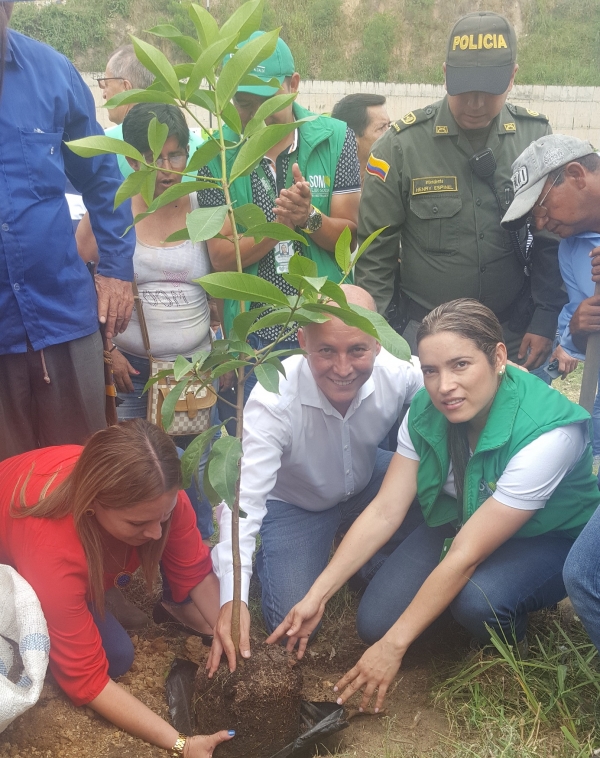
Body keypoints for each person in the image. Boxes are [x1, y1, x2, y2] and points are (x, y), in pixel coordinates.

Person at [269, 299, 598, 713]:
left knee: (479, 600)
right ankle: (443, 611)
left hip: (548, 536)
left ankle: (509, 637)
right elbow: (385, 511)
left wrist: (395, 647)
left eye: (461, 365)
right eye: (431, 370)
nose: (444, 386)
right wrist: (317, 594)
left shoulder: (548, 435)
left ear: (498, 357)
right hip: (464, 516)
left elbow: (465, 555)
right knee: (375, 624)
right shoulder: (426, 409)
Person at [207, 285, 424, 675]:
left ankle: (368, 563)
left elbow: (443, 380)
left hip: (366, 481)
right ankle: (296, 561)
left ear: (377, 341)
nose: (343, 369)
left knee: (431, 488)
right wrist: (232, 598)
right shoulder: (273, 399)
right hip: (294, 502)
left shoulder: (396, 372)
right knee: (293, 623)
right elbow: (245, 501)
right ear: (302, 340)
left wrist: (504, 374)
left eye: (357, 350)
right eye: (326, 351)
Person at [0, 419, 234, 757]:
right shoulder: (51, 548)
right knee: (115, 657)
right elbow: (88, 680)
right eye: (138, 523)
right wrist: (181, 743)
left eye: (163, 517)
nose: (156, 533)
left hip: (65, 549)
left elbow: (194, 572)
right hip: (18, 559)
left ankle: (99, 589)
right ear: (93, 503)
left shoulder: (158, 495)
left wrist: (232, 641)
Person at [355, 11, 564, 373]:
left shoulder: (535, 137)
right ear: (445, 73)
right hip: (425, 339)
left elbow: (550, 238)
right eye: (465, 88)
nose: (476, 103)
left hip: (512, 334)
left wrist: (545, 318)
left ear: (512, 77)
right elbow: (376, 251)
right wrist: (381, 336)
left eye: (489, 90)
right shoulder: (401, 147)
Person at [76, 102, 217, 550]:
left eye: (176, 156)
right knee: (135, 474)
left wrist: (222, 346)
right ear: (132, 159)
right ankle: (134, 557)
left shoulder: (204, 204)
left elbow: (225, 279)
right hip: (132, 369)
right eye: (153, 158)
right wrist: (107, 349)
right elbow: (77, 276)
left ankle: (197, 553)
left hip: (192, 372)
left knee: (194, 469)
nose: (166, 169)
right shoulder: (113, 205)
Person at [0, 0, 135, 462]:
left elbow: (101, 177)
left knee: (81, 472)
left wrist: (117, 269)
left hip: (59, 313)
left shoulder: (52, 73)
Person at [197, 32, 361, 372]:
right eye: (243, 103)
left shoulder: (336, 137)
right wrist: (280, 227)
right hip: (252, 338)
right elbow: (223, 258)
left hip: (325, 326)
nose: (256, 115)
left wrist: (308, 217)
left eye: (267, 100)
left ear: (293, 85)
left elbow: (349, 236)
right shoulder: (215, 155)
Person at [501, 133, 600, 455]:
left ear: (575, 175)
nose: (541, 223)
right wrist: (579, 329)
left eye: (541, 207)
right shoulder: (571, 249)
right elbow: (580, 344)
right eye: (533, 218)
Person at [99, 44, 203, 180]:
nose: (104, 94)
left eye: (106, 84)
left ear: (126, 88)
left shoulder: (105, 145)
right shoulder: (202, 148)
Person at [331, 93, 391, 183]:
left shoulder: (393, 180)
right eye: (381, 128)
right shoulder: (329, 187)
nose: (390, 134)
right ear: (351, 140)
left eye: (389, 125)